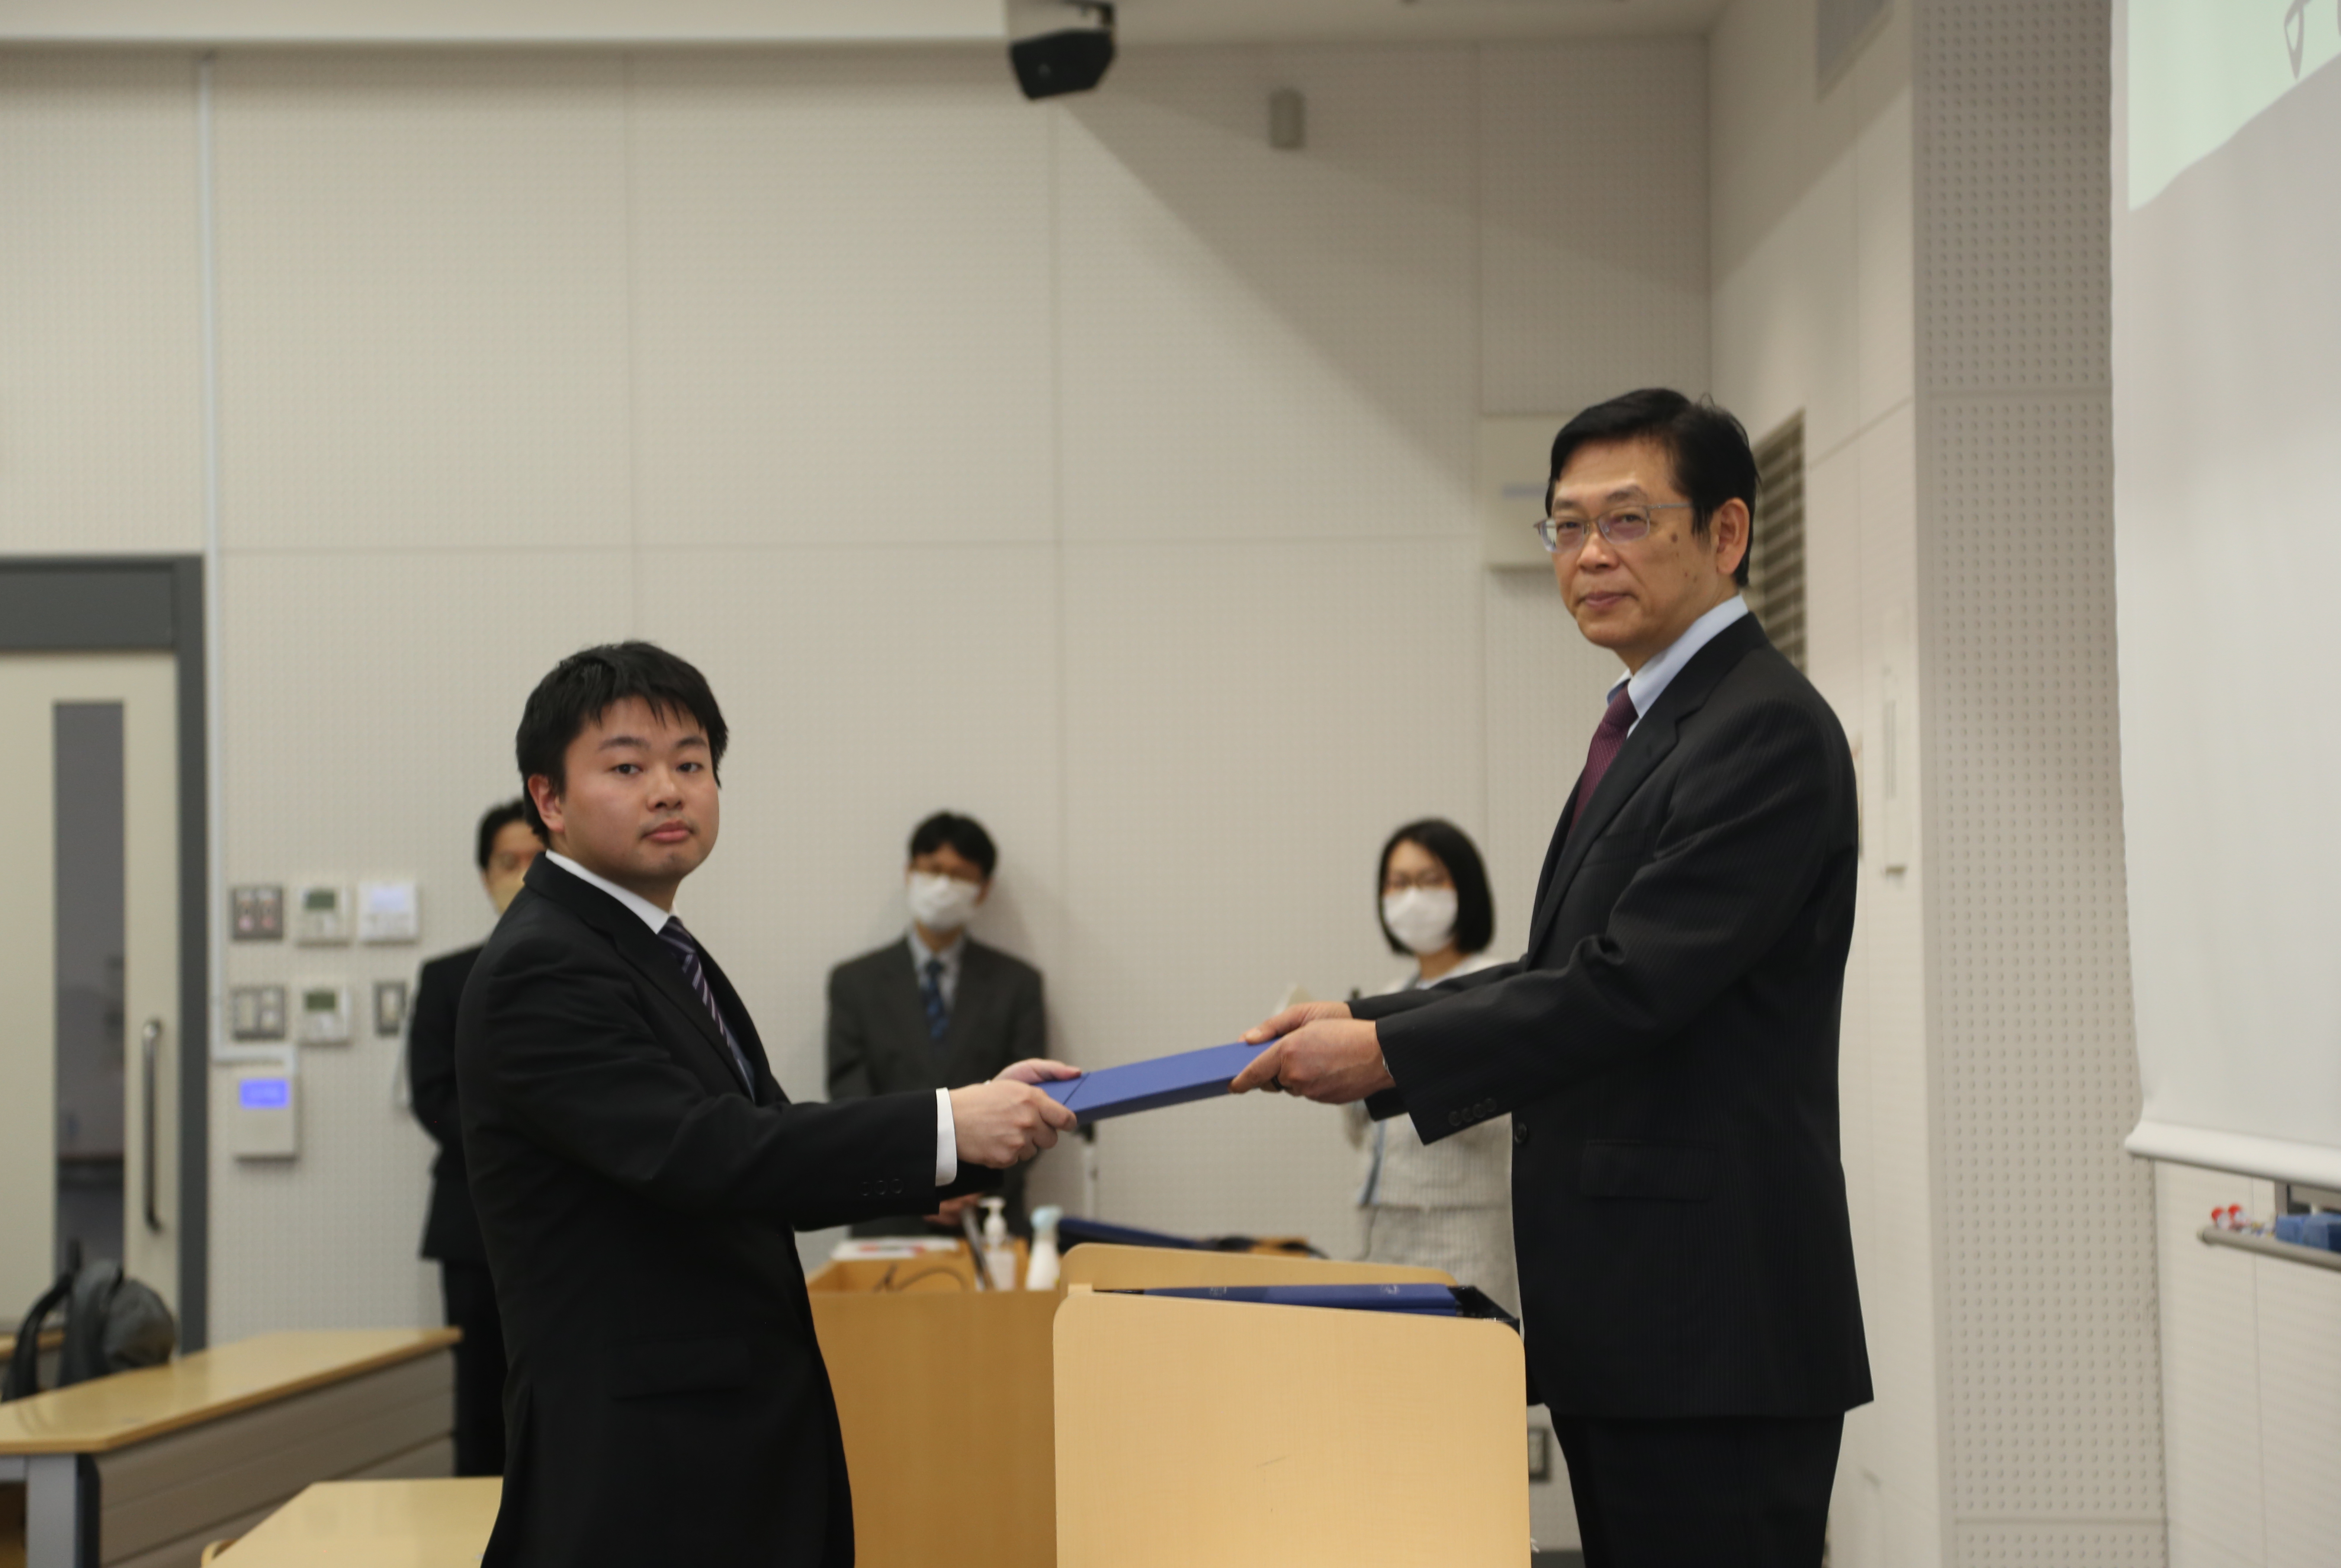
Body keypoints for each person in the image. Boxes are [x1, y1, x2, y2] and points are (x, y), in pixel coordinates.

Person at [1233, 390, 1870, 1568]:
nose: (1588, 556)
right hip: (1641, 1321)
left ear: (1725, 532)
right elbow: (1558, 971)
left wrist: (1384, 1054)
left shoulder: (1761, 728)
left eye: (1626, 520)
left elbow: (1626, 988)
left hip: (1711, 1323)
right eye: (1565, 527)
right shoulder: (1655, 720)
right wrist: (1371, 1016)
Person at [457, 641, 1077, 1568]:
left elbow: (769, 1152)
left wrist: (953, 1149)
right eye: (626, 768)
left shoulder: (655, 945)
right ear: (548, 799)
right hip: (645, 1466)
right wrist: (949, 1123)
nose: (668, 791)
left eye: (691, 763)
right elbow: (707, 1150)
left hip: (713, 1444)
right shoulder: (546, 963)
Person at [827, 812, 1047, 1237]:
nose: (944, 886)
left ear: (983, 889)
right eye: (933, 870)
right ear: (909, 873)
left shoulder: (1018, 984)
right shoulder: (854, 983)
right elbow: (850, 1103)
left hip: (990, 1220)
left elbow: (1034, 1102)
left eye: (960, 875)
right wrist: (914, 1184)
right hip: (887, 1217)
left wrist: (973, 1188)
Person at [407, 798, 544, 1477]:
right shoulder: (446, 979)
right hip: (474, 1225)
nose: (521, 874)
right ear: (485, 873)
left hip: (578, 1220)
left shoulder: (601, 968)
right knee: (483, 1400)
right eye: (506, 861)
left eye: (537, 859)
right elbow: (434, 1098)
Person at [1344, 818, 1519, 1318]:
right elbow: (1361, 1128)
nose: (1412, 897)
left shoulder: (1495, 988)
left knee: (1464, 1359)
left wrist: (1398, 1066)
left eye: (1430, 880)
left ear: (1466, 887)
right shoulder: (1388, 995)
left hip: (1463, 1228)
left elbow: (1499, 1110)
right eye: (1398, 883)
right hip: (1382, 1227)